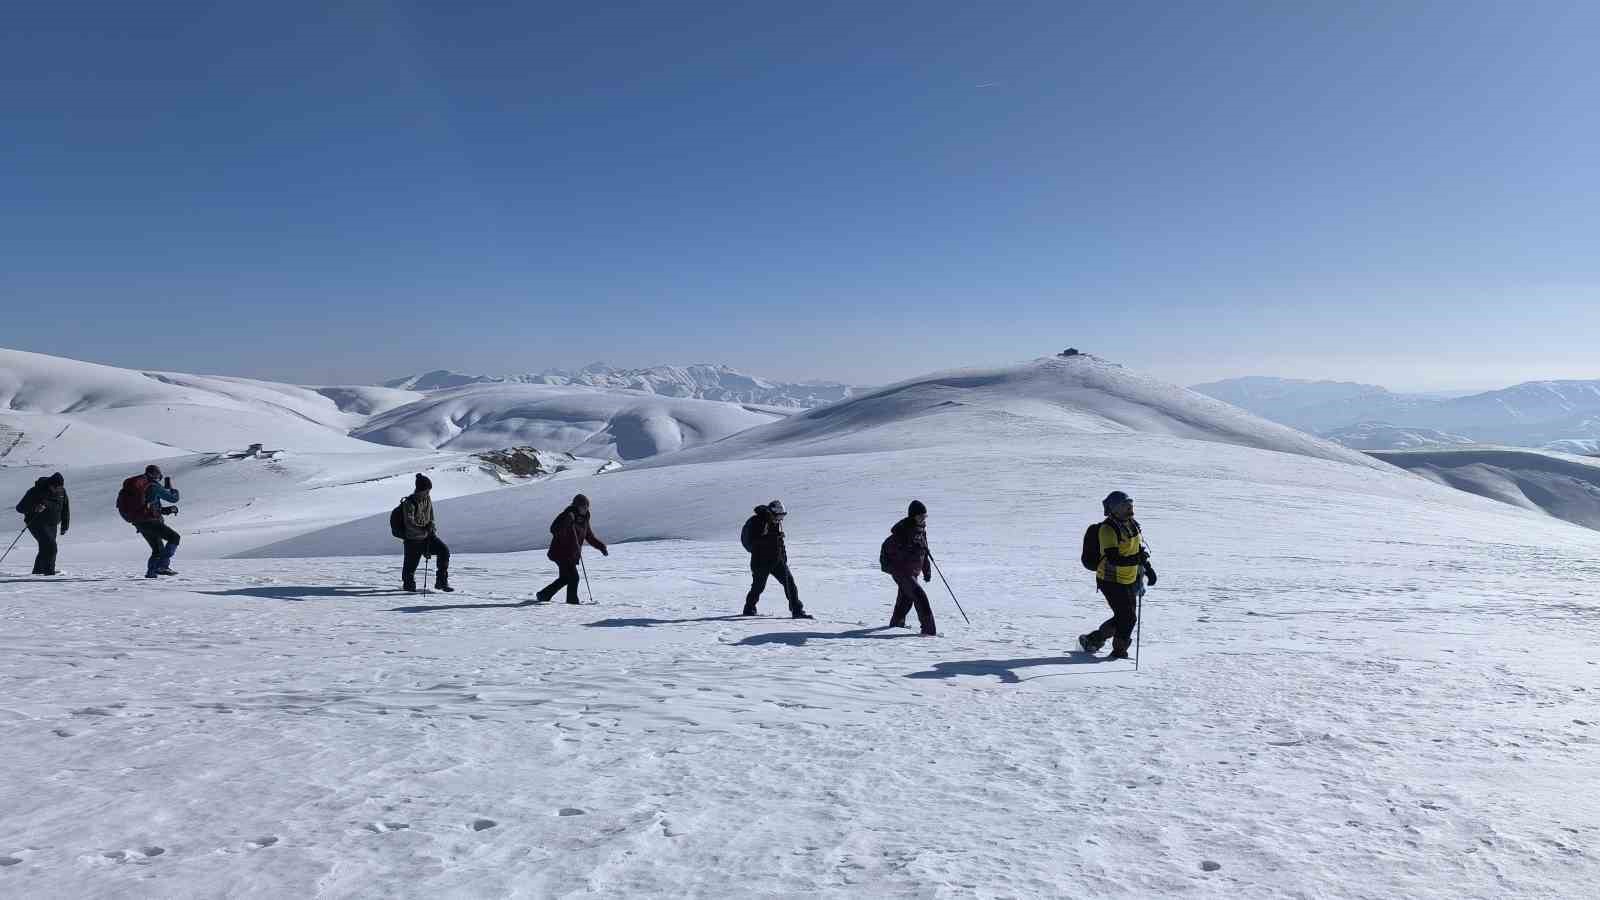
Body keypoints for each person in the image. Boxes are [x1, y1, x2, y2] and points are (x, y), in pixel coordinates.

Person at [1078, 491, 1156, 660]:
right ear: (1114, 509)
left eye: (1131, 504)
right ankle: (1119, 652)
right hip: (1110, 579)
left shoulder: (1131, 524)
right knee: (1128, 618)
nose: (1130, 508)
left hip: (1129, 578)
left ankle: (1093, 640)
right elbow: (1114, 558)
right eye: (1125, 505)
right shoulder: (1107, 529)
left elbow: (1137, 550)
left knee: (1125, 617)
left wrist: (1148, 569)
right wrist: (1138, 560)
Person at [741, 500, 812, 619]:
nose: (781, 519)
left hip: (777, 560)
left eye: (783, 516)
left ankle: (797, 610)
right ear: (772, 512)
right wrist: (773, 537)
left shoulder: (774, 522)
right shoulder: (757, 521)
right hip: (761, 561)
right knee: (758, 586)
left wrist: (783, 556)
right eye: (780, 516)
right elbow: (755, 542)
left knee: (790, 583)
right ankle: (749, 608)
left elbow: (779, 542)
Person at [536, 493, 606, 604]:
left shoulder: (584, 520)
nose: (585, 508)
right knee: (574, 577)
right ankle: (572, 602)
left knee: (565, 578)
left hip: (571, 554)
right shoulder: (567, 515)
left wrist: (601, 547)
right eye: (583, 506)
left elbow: (589, 536)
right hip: (560, 552)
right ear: (576, 506)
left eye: (586, 506)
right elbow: (554, 529)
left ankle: (544, 594)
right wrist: (567, 522)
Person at [886, 500, 937, 636]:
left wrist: (926, 571)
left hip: (913, 573)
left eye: (924, 516)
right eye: (920, 516)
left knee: (906, 599)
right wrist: (895, 568)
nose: (923, 519)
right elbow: (890, 550)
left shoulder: (921, 531)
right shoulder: (903, 532)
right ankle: (929, 631)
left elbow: (924, 552)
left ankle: (896, 624)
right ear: (913, 516)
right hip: (902, 573)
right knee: (920, 597)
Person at [400, 474, 452, 592]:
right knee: (410, 567)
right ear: (420, 490)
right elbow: (409, 523)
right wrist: (423, 528)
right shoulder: (409, 503)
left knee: (444, 551)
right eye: (427, 490)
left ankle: (441, 582)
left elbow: (431, 517)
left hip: (428, 536)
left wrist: (432, 531)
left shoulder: (427, 499)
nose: (428, 493)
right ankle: (408, 586)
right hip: (412, 540)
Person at [14, 472, 69, 575]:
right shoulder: (35, 491)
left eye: (60, 487)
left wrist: (65, 525)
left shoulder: (61, 491)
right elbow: (20, 508)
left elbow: (65, 508)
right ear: (50, 485)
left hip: (52, 524)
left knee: (45, 548)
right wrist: (35, 508)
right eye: (55, 487)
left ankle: (37, 573)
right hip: (36, 523)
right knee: (51, 546)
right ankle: (49, 574)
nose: (57, 490)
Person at [133, 465, 182, 578]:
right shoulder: (153, 486)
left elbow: (149, 507)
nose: (160, 477)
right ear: (154, 474)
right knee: (174, 537)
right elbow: (173, 498)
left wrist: (166, 510)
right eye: (158, 474)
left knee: (158, 549)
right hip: (151, 521)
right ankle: (162, 566)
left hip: (139, 522)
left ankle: (151, 575)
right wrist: (173, 491)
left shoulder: (140, 487)